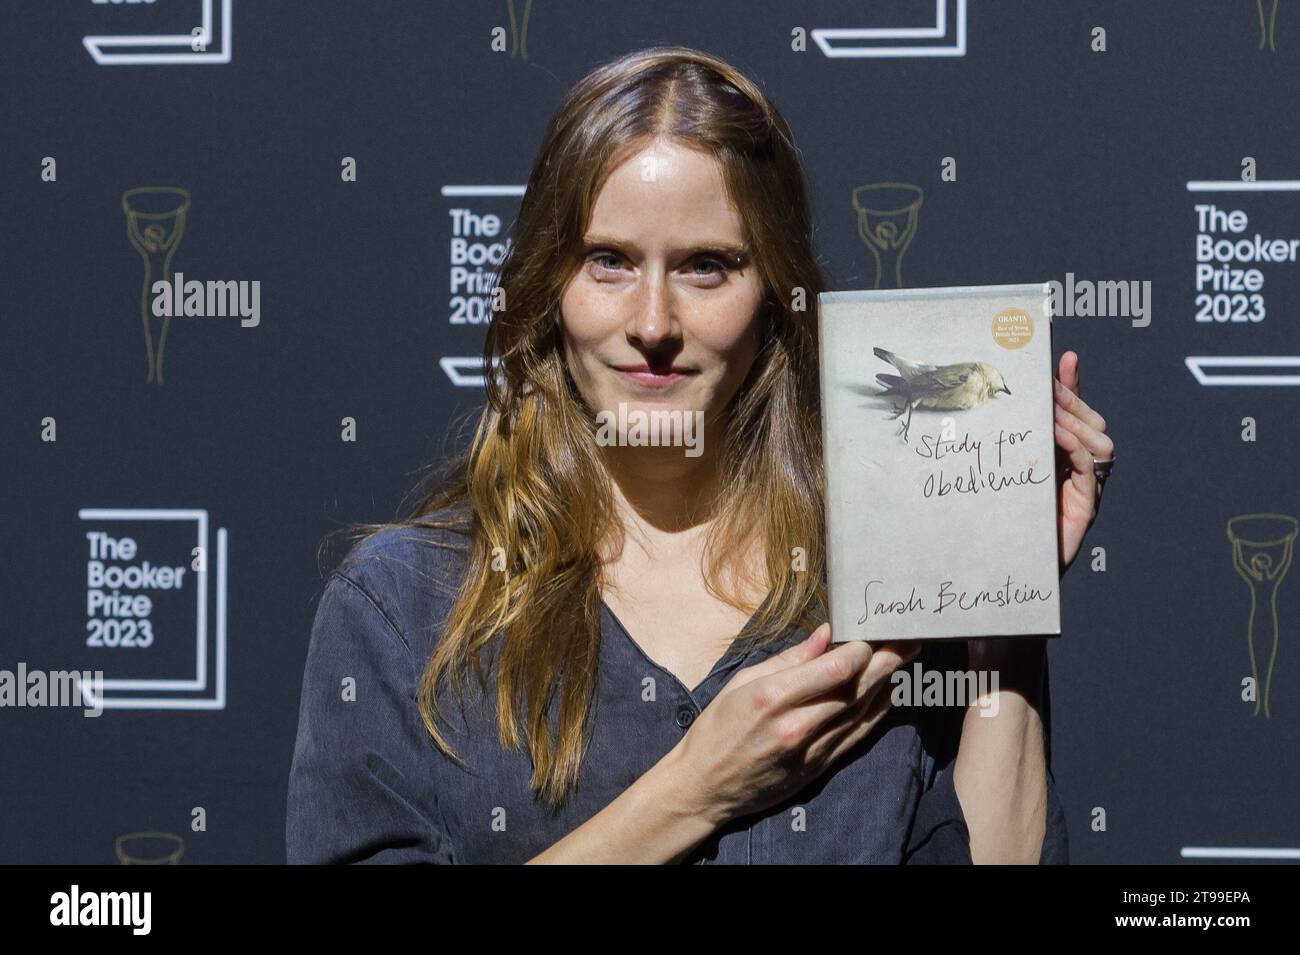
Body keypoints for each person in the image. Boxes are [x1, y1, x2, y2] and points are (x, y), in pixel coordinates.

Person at [287, 45, 1112, 864]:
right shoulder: (402, 612)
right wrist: (696, 787)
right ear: (548, 286)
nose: (653, 322)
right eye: (608, 261)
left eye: (706, 268)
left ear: (775, 295)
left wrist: (1004, 609)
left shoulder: (888, 591)